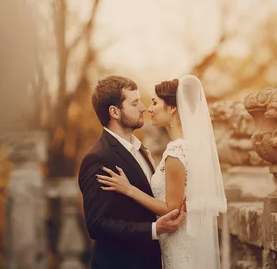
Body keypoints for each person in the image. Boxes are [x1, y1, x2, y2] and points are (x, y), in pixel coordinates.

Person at [96, 75, 226, 269]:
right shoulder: (186, 148)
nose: (148, 109)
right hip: (183, 242)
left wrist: (128, 189)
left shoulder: (176, 152)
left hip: (178, 247)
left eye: (155, 102)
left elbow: (171, 209)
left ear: (172, 107)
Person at [78, 75, 186, 269]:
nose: (143, 108)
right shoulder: (98, 158)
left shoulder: (141, 150)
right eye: (135, 103)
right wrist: (154, 229)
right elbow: (98, 225)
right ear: (115, 112)